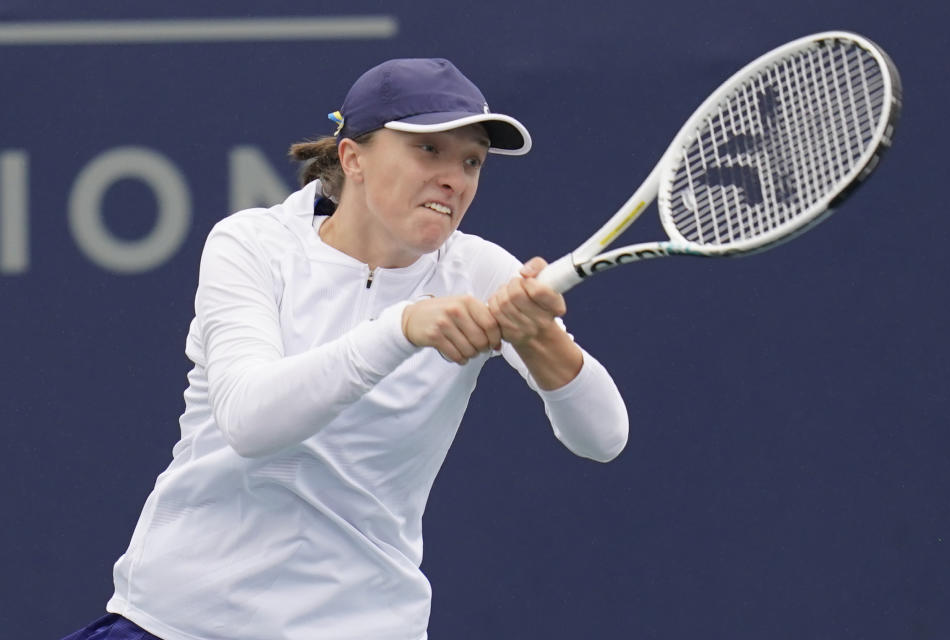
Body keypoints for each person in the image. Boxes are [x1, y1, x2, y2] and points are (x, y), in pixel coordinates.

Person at [60, 58, 628, 640]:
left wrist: (539, 339)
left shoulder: (479, 269)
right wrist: (402, 327)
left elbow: (604, 437)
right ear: (353, 158)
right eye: (428, 150)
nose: (455, 178)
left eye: (472, 161)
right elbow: (250, 420)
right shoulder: (253, 244)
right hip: (177, 623)